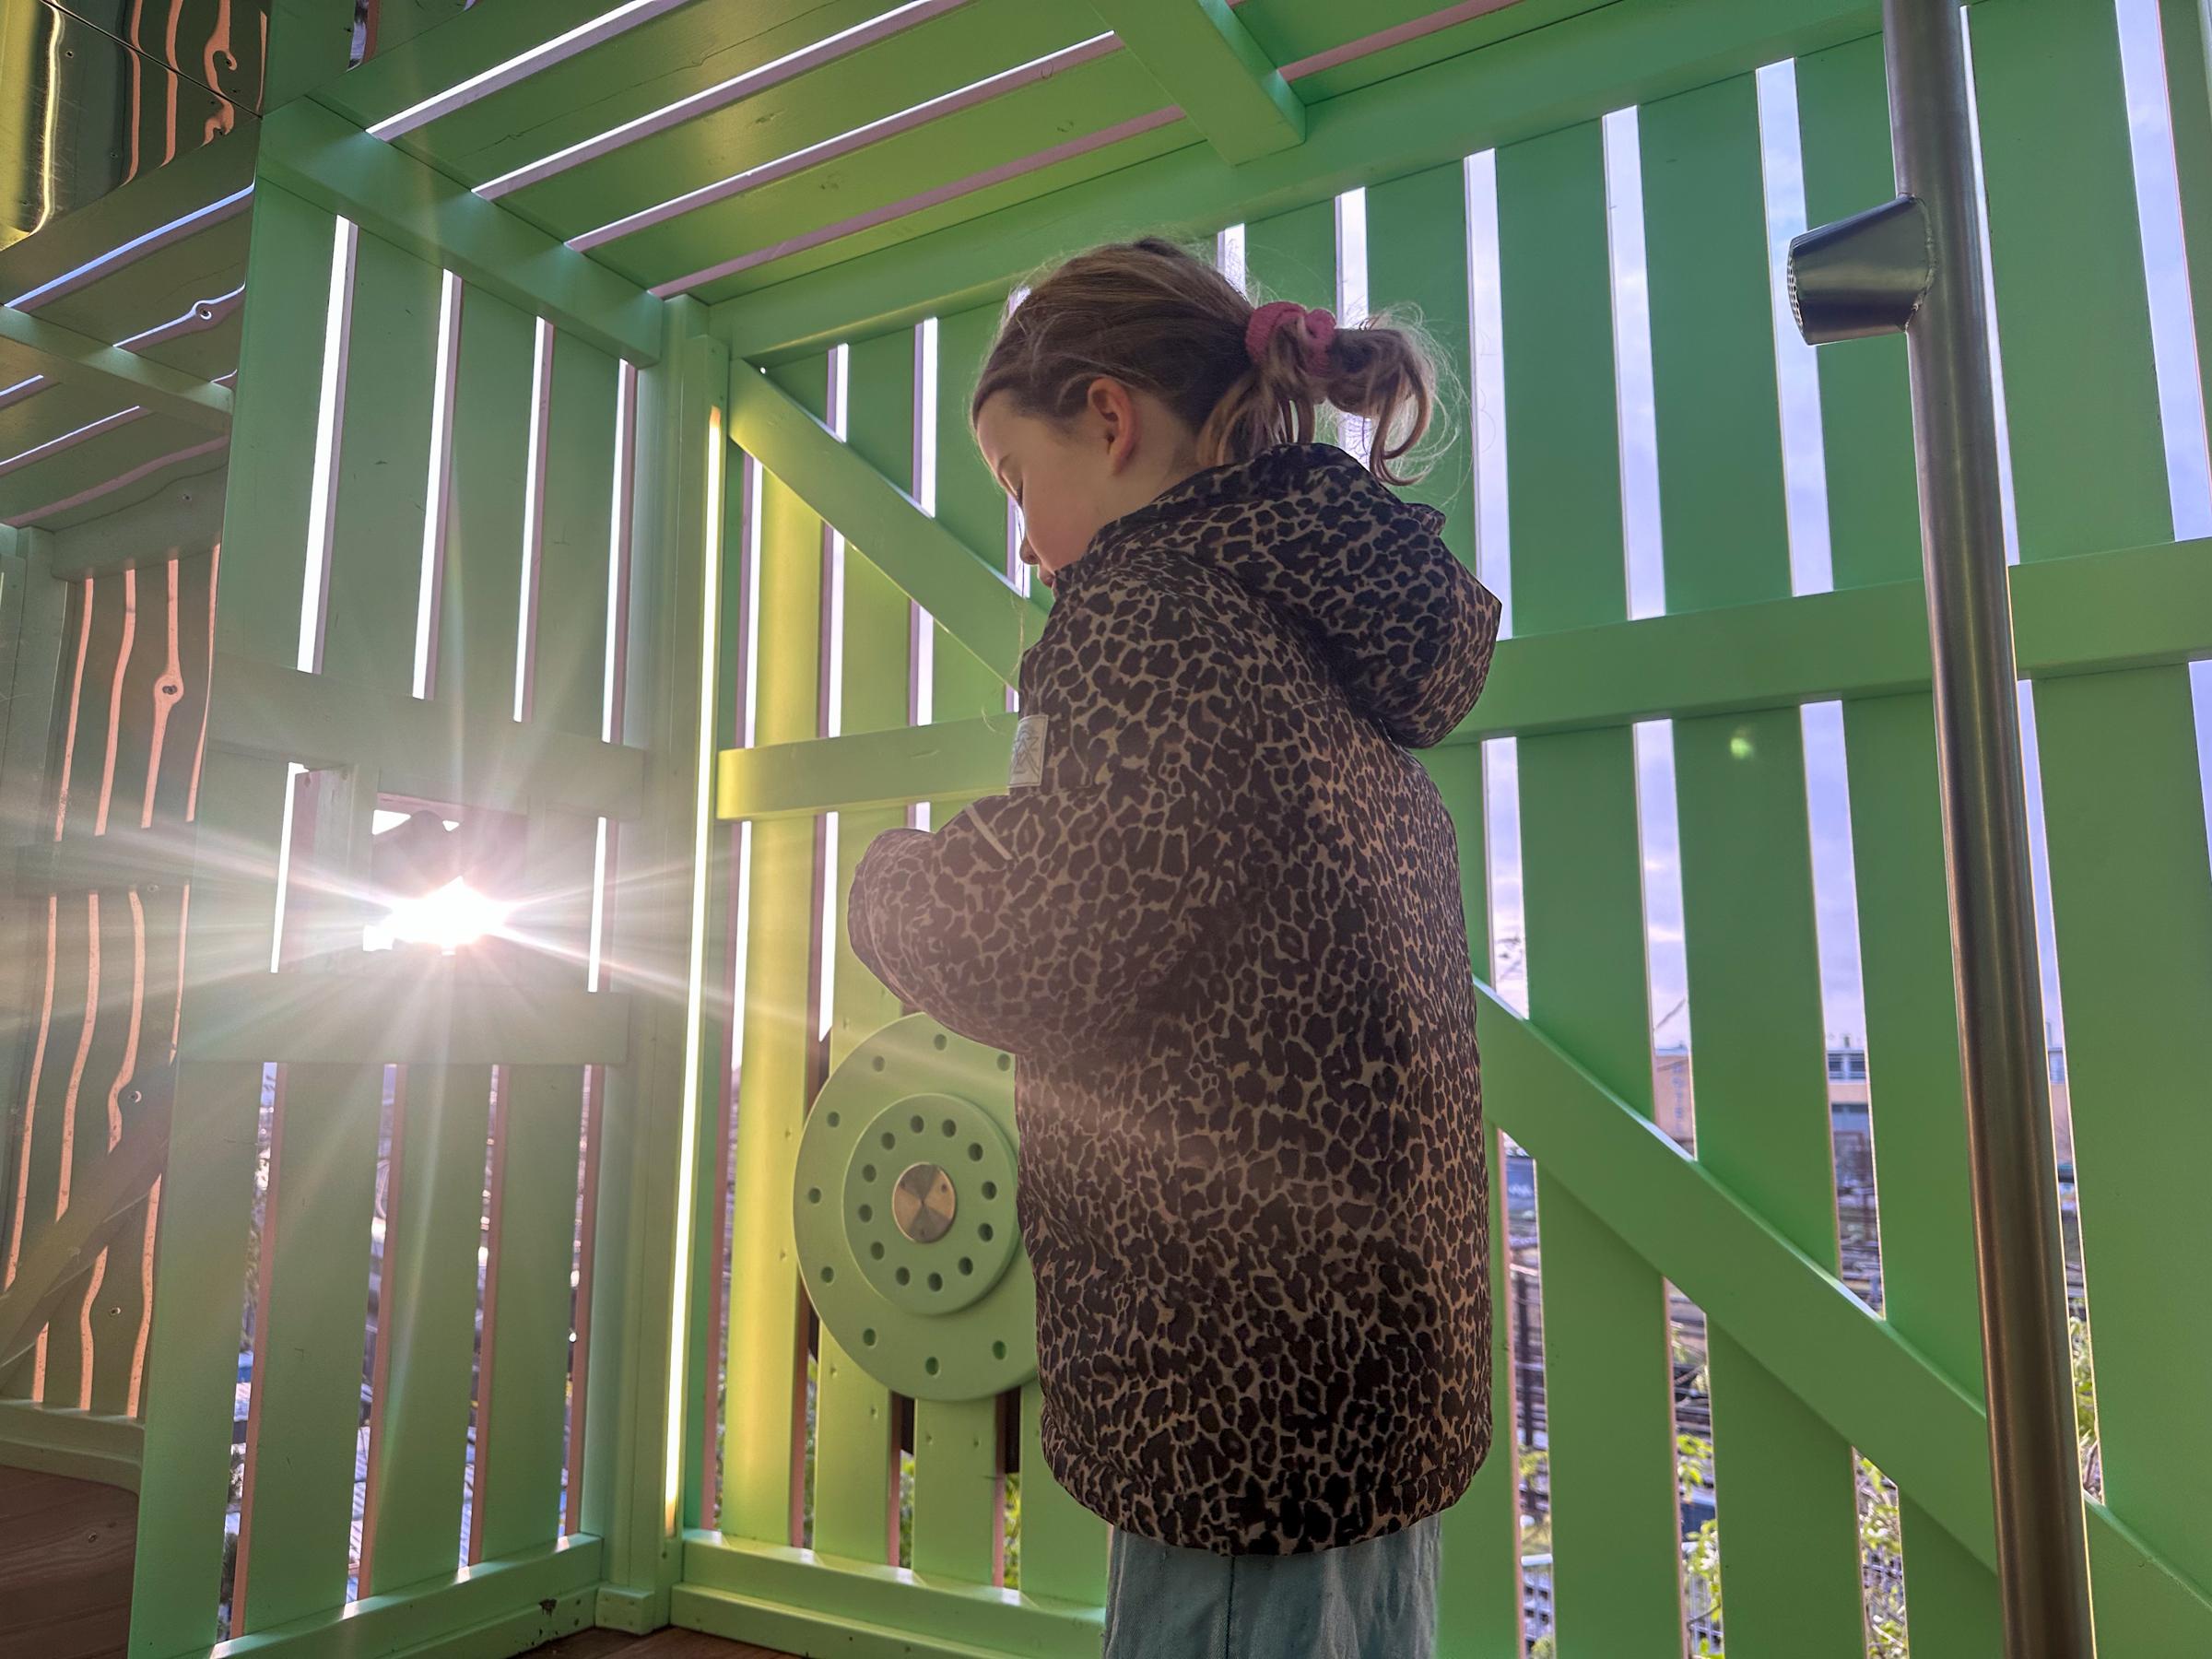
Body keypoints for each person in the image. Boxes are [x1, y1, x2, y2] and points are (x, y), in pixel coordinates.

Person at [843, 235, 1502, 1658]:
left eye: (1017, 483)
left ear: (1108, 416)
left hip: (1237, 1372)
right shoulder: (1313, 628)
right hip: (1380, 1360)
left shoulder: (1145, 611)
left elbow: (1052, 944)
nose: (1025, 538)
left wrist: (889, 881)